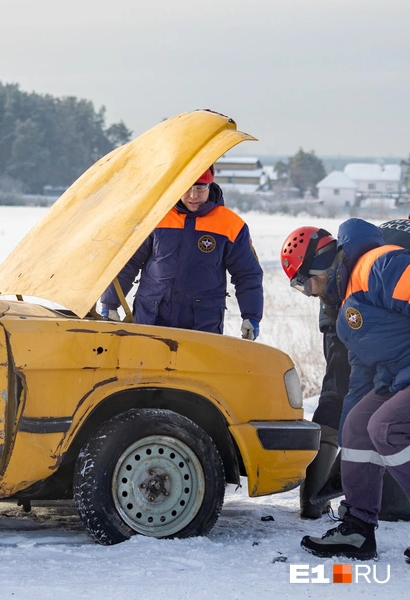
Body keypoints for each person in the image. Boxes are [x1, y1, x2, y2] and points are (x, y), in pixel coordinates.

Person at [281, 218, 410, 561]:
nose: (310, 294)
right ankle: (358, 528)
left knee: (386, 427)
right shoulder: (346, 312)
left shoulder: (378, 264)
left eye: (306, 285)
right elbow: (361, 377)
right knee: (357, 425)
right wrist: (348, 422)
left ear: (321, 265)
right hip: (398, 379)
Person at [100, 166, 263, 340]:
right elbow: (129, 262)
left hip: (202, 325)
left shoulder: (231, 225)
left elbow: (247, 274)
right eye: (187, 188)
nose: (193, 196)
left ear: (210, 185)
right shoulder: (156, 217)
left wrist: (251, 316)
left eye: (200, 188)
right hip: (151, 318)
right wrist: (110, 303)